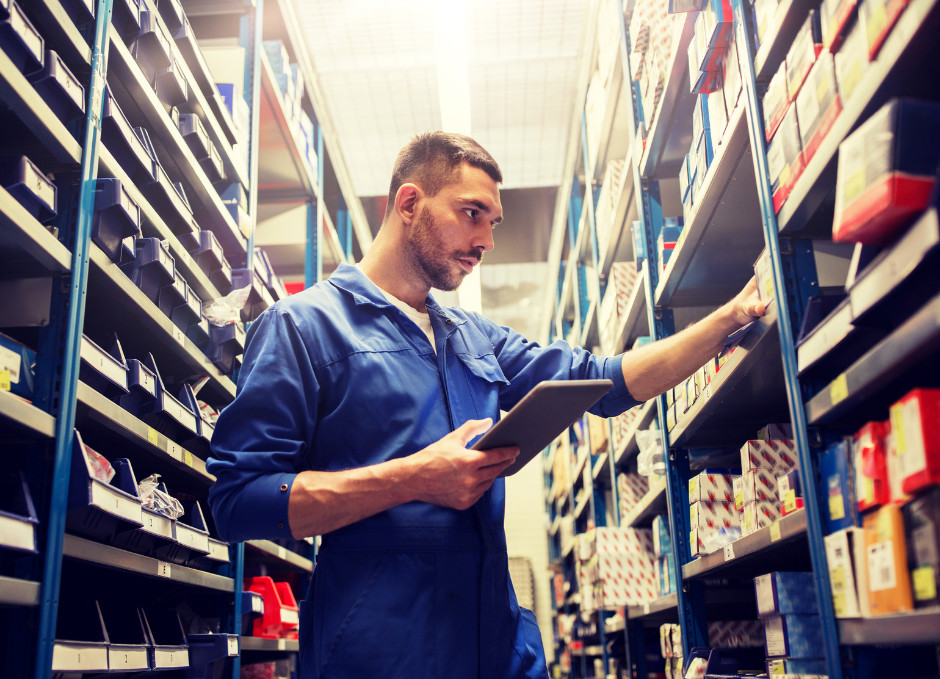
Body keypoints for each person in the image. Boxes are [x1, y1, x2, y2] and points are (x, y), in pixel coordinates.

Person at [207, 132, 766, 679]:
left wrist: (727, 320)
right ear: (408, 203)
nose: (486, 241)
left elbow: (605, 381)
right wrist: (413, 479)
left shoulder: (473, 337)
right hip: (378, 652)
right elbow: (237, 502)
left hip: (494, 647)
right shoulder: (302, 327)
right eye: (472, 213)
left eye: (492, 223)